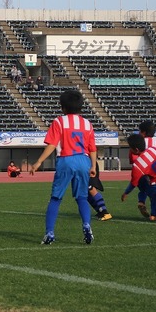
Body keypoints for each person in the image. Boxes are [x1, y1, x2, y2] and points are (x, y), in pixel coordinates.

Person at [29, 89, 97, 245]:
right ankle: (86, 225)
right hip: (84, 161)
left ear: (63, 107)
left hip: (66, 160)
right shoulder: (87, 124)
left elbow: (52, 144)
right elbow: (92, 148)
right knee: (82, 198)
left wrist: (39, 162)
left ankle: (50, 233)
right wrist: (93, 165)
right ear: (80, 107)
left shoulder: (59, 121)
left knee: (56, 198)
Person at [128, 120, 156, 219]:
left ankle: (141, 201)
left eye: (140, 131)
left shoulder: (137, 142)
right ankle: (154, 214)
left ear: (143, 132)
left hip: (139, 171)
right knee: (155, 193)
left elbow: (132, 159)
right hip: (155, 173)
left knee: (143, 189)